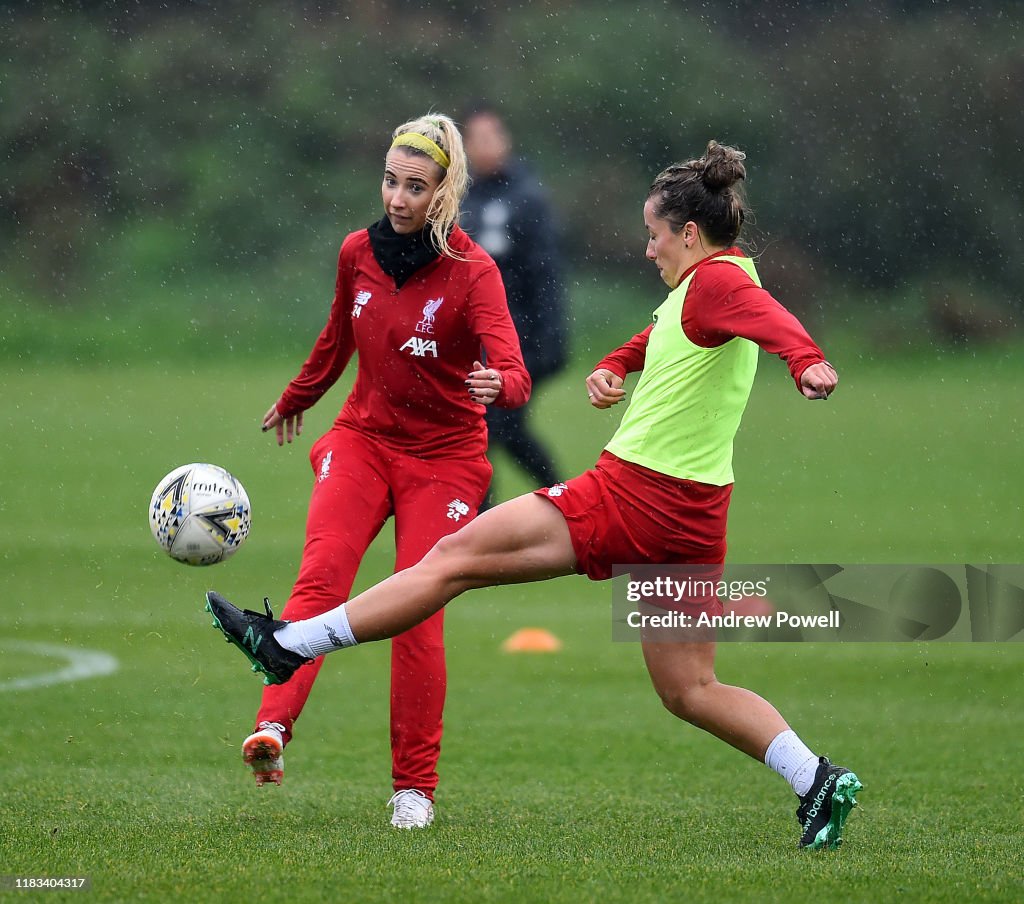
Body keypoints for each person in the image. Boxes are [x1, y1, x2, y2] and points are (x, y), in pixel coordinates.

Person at [207, 141, 862, 850]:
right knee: (690, 690)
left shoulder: (721, 286)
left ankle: (289, 646)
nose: (648, 250)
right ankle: (816, 779)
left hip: (634, 497)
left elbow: (769, 320)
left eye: (654, 236)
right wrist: (615, 364)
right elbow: (662, 336)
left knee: (452, 558)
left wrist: (808, 362)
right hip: (696, 516)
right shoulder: (703, 290)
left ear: (690, 236)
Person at [239, 112, 530, 829]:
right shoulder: (355, 253)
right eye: (390, 182)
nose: (398, 198)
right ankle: (272, 729)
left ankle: (413, 790)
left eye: (416, 186)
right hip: (363, 439)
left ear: (445, 191)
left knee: (418, 620)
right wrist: (295, 398)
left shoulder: (473, 271)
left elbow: (514, 372)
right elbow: (335, 340)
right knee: (322, 576)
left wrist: (503, 388)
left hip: (446, 460)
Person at [460, 106, 568, 505]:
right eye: (477, 138)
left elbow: (546, 274)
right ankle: (558, 496)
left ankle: (554, 496)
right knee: (491, 429)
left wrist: (551, 339)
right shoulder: (459, 198)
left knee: (493, 428)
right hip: (472, 341)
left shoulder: (528, 198)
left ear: (506, 141)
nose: (486, 146)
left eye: (493, 136)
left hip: (520, 338)